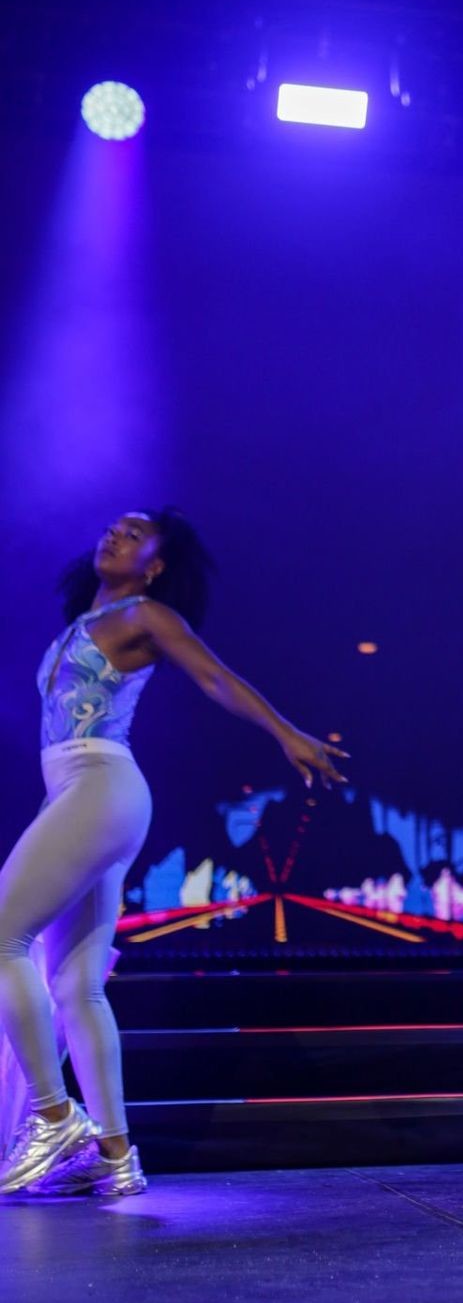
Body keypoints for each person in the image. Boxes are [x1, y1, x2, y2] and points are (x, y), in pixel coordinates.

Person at [0, 509, 348, 1200]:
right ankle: (114, 1155)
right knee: (76, 984)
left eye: (134, 535)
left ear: (155, 566)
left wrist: (284, 732)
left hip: (100, 785)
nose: (114, 535)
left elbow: (214, 678)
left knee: (4, 937)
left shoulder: (146, 614)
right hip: (78, 793)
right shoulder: (84, 622)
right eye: (113, 528)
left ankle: (53, 1118)